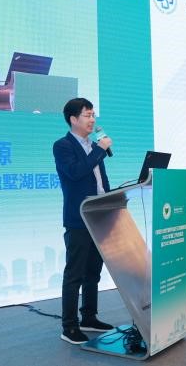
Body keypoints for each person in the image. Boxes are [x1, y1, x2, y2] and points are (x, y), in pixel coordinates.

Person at [53, 98, 115, 344]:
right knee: (74, 275)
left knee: (93, 272)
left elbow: (100, 183)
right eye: (88, 115)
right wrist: (100, 150)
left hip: (99, 216)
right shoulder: (63, 146)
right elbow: (75, 172)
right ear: (73, 119)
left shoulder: (92, 145)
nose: (93, 120)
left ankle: (89, 317)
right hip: (79, 218)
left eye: (93, 115)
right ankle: (69, 327)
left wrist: (111, 199)